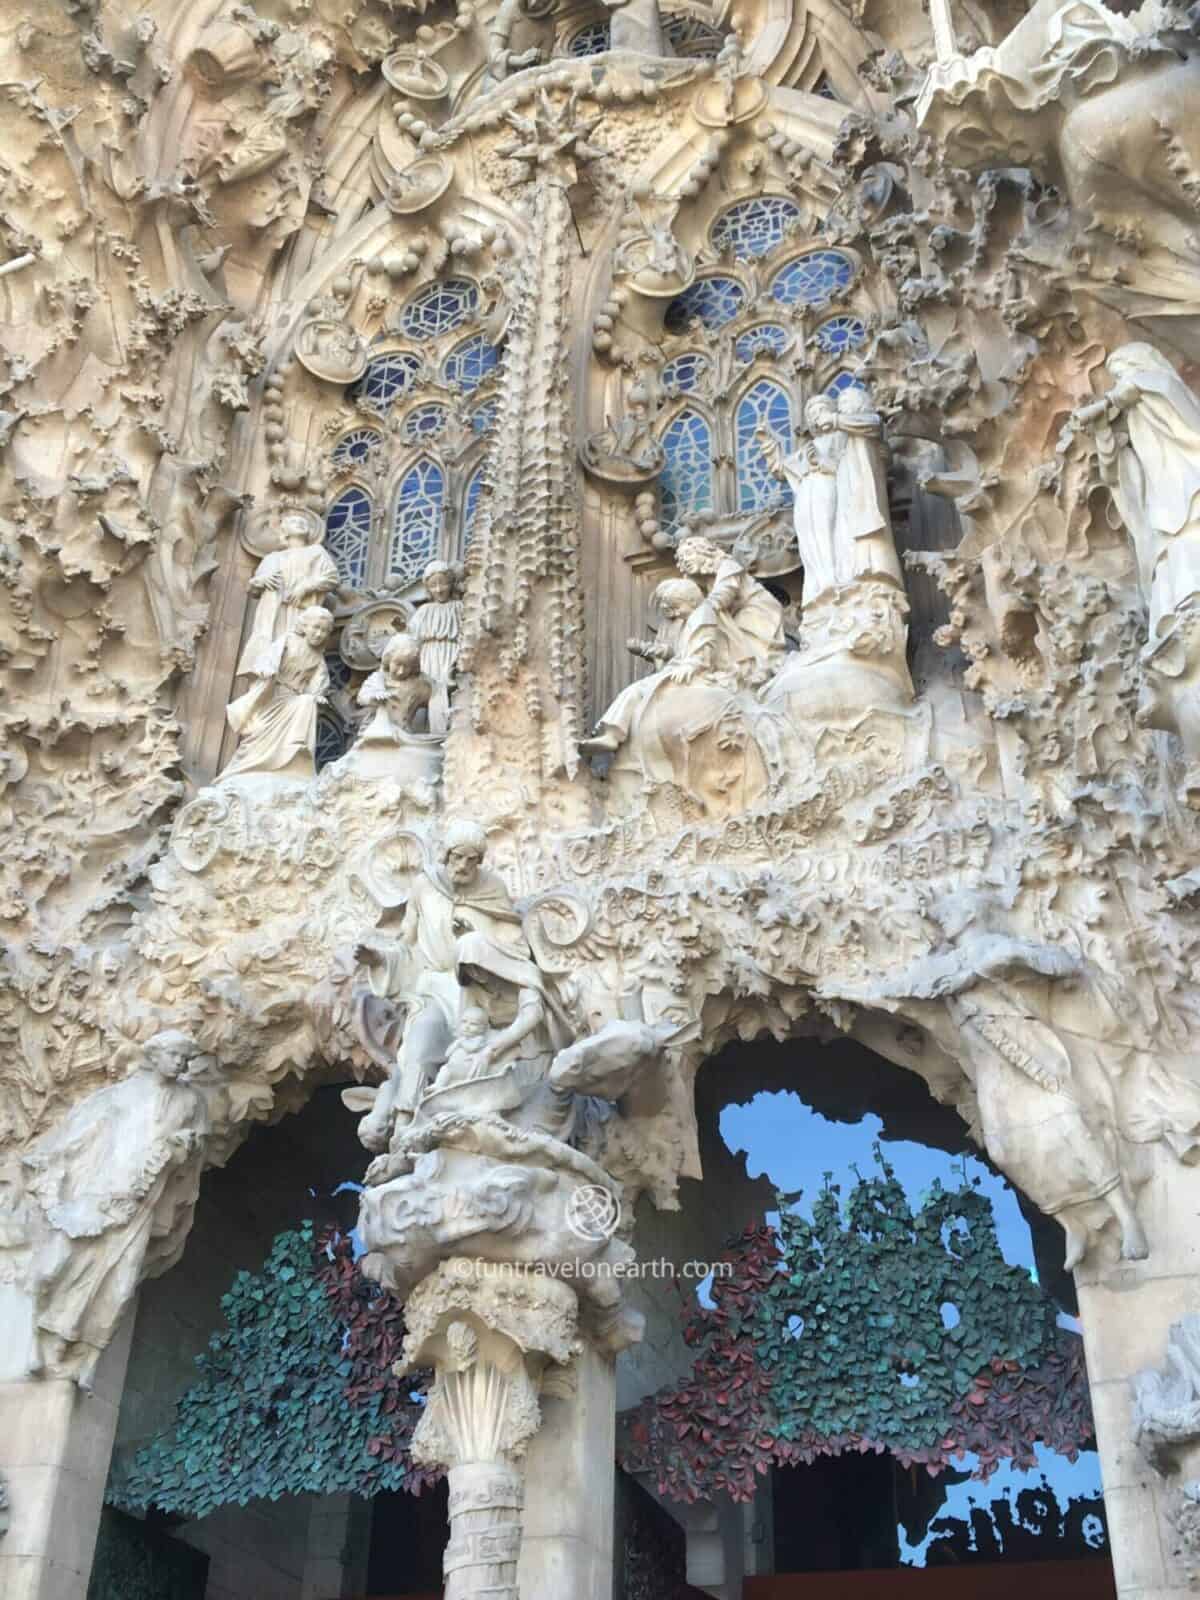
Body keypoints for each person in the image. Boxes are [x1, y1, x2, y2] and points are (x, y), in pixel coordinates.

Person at [350, 821, 530, 1150]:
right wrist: (378, 959)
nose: (463, 866)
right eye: (458, 857)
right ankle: (405, 1124)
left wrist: (475, 944)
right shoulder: (425, 886)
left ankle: (466, 1131)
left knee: (473, 1052)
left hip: (476, 990)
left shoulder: (493, 890)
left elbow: (515, 946)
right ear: (446, 855)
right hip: (433, 985)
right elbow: (407, 943)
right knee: (420, 1040)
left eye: (473, 860)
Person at [221, 606, 333, 782]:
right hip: (273, 694)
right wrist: (267, 669)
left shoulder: (318, 657)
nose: (319, 634)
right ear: (304, 626)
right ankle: (246, 765)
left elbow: (320, 680)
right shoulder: (289, 640)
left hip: (294, 699)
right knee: (260, 735)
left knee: (306, 702)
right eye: (316, 628)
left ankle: (294, 748)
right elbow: (269, 659)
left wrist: (317, 693)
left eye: (325, 631)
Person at [237, 512, 339, 677]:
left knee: (294, 653)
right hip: (273, 614)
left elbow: (332, 578)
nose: (299, 522)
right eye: (293, 521)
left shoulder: (316, 552)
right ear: (285, 532)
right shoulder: (272, 558)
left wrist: (306, 587)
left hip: (300, 611)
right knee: (269, 653)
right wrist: (261, 580)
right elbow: (253, 589)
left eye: (302, 521)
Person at [408, 562, 463, 736]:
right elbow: (412, 639)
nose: (439, 590)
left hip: (452, 655)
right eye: (433, 585)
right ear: (428, 589)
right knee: (427, 695)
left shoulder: (459, 608)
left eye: (443, 583)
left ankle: (444, 733)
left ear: (451, 583)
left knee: (448, 695)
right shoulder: (424, 611)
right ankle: (424, 734)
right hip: (428, 657)